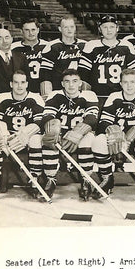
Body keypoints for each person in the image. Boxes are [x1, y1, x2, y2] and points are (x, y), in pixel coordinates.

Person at [92, 69, 135, 199]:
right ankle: (107, 178)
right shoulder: (114, 97)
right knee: (99, 141)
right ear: (121, 84)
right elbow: (103, 122)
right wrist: (113, 130)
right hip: (116, 140)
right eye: (125, 82)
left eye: (132, 82)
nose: (129, 85)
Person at [0, 70, 44, 199]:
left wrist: (26, 134)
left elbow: (40, 122)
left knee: (36, 140)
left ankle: (35, 177)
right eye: (16, 82)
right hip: (7, 136)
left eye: (22, 82)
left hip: (27, 136)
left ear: (27, 84)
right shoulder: (2, 97)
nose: (19, 86)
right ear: (11, 84)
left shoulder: (35, 97)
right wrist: (2, 136)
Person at [40, 69, 99, 200]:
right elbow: (47, 116)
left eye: (74, 81)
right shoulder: (55, 95)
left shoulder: (89, 95)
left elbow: (92, 118)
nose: (71, 85)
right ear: (62, 83)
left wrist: (77, 133)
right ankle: (51, 179)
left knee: (87, 140)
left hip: (81, 133)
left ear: (80, 83)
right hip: (61, 133)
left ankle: (86, 179)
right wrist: (54, 129)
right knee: (50, 137)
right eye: (67, 81)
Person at [78, 15, 135, 102]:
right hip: (98, 96)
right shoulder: (91, 46)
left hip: (121, 96)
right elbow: (83, 75)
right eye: (105, 27)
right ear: (100, 29)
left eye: (112, 27)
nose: (109, 30)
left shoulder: (126, 46)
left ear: (117, 28)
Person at [40, 16, 87, 98]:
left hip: (79, 92)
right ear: (60, 29)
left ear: (75, 28)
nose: (69, 30)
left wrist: (86, 95)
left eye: (72, 27)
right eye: (66, 27)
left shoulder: (84, 45)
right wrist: (47, 96)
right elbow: (45, 74)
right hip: (58, 90)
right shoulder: (51, 46)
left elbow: (88, 74)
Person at [11, 18, 49, 94]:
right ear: (21, 31)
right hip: (23, 89)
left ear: (38, 30)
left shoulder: (48, 46)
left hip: (44, 89)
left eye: (33, 29)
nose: (30, 33)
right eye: (27, 30)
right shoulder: (13, 48)